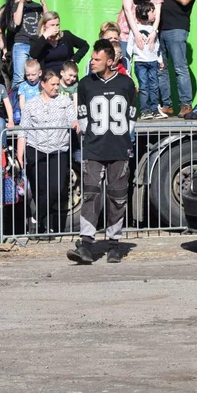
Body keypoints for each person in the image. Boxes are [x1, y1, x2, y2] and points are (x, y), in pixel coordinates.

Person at [68, 40, 137, 265]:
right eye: (92, 58)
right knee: (90, 195)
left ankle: (114, 244)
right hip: (94, 149)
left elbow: (132, 117)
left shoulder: (126, 83)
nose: (92, 62)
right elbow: (83, 116)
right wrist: (92, 139)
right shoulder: (86, 84)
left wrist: (125, 139)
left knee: (117, 197)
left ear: (110, 61)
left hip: (118, 148)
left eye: (97, 59)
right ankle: (86, 244)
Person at [17, 69, 77, 234]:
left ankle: (35, 217)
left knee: (56, 188)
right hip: (36, 149)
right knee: (40, 189)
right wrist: (19, 154)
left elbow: (72, 117)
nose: (56, 87)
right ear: (43, 84)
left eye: (58, 84)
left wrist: (74, 123)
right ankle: (43, 227)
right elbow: (23, 131)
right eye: (53, 84)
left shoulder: (65, 101)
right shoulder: (31, 105)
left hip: (58, 150)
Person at [153, 0, 197, 117]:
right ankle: (166, 105)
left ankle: (186, 104)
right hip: (160, 28)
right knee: (162, 69)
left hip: (177, 28)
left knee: (180, 68)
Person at [117, 0, 163, 70]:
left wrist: (154, 32)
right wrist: (136, 33)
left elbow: (157, 11)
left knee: (149, 66)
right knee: (125, 63)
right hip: (127, 29)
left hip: (147, 31)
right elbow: (127, 10)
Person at [127, 2, 167, 119]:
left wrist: (160, 59)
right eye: (152, 11)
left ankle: (155, 109)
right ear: (144, 13)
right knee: (144, 86)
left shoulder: (153, 29)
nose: (154, 14)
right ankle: (145, 110)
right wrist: (128, 63)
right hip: (140, 62)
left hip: (153, 61)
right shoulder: (135, 29)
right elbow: (130, 46)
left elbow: (157, 45)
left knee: (154, 86)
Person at [9, 0, 46, 87]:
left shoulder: (38, 6)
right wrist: (21, 1)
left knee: (35, 77)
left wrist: (43, 1)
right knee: (19, 77)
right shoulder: (16, 5)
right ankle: (15, 103)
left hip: (35, 44)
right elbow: (17, 21)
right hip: (21, 43)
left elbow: (47, 19)